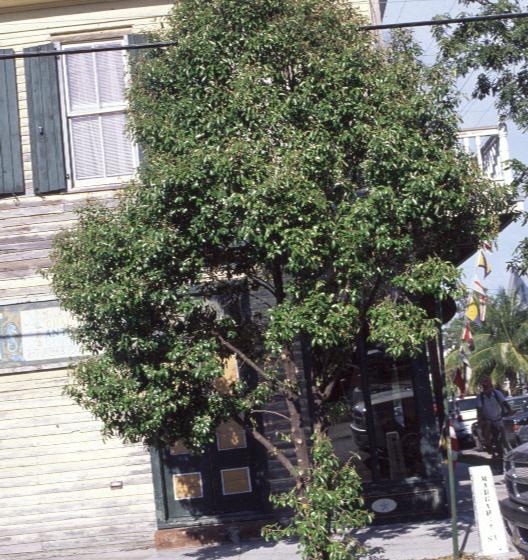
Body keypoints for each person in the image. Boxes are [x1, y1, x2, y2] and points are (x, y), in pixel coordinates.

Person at [476, 377, 513, 457]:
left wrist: (509, 410)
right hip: (488, 421)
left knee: (504, 438)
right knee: (486, 435)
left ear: (491, 385)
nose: (486, 388)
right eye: (484, 387)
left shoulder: (497, 393)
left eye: (487, 386)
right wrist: (480, 420)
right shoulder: (480, 397)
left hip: (499, 419)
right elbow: (479, 409)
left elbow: (505, 403)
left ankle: (511, 455)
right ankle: (491, 450)